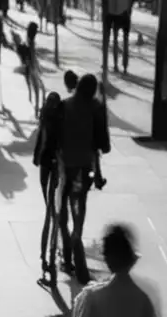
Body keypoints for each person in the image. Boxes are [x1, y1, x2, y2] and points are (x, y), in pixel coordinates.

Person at [57, 73, 108, 281]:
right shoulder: (96, 108)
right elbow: (103, 144)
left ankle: (66, 254)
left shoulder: (64, 104)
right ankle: (77, 260)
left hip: (64, 165)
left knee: (63, 208)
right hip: (84, 168)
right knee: (79, 212)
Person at [33, 87, 63, 282]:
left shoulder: (45, 119)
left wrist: (36, 157)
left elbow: (41, 141)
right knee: (52, 213)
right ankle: (50, 254)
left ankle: (45, 256)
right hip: (56, 166)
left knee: (48, 211)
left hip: (45, 165)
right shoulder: (62, 121)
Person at [13, 18, 42, 118]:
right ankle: (36, 112)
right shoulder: (31, 42)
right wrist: (34, 66)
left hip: (31, 68)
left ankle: (35, 108)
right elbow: (32, 56)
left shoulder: (29, 40)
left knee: (36, 90)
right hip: (31, 68)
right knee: (37, 91)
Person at [103, 0, 130, 73]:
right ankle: (125, 66)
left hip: (112, 13)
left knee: (112, 39)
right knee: (126, 40)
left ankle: (113, 65)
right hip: (125, 13)